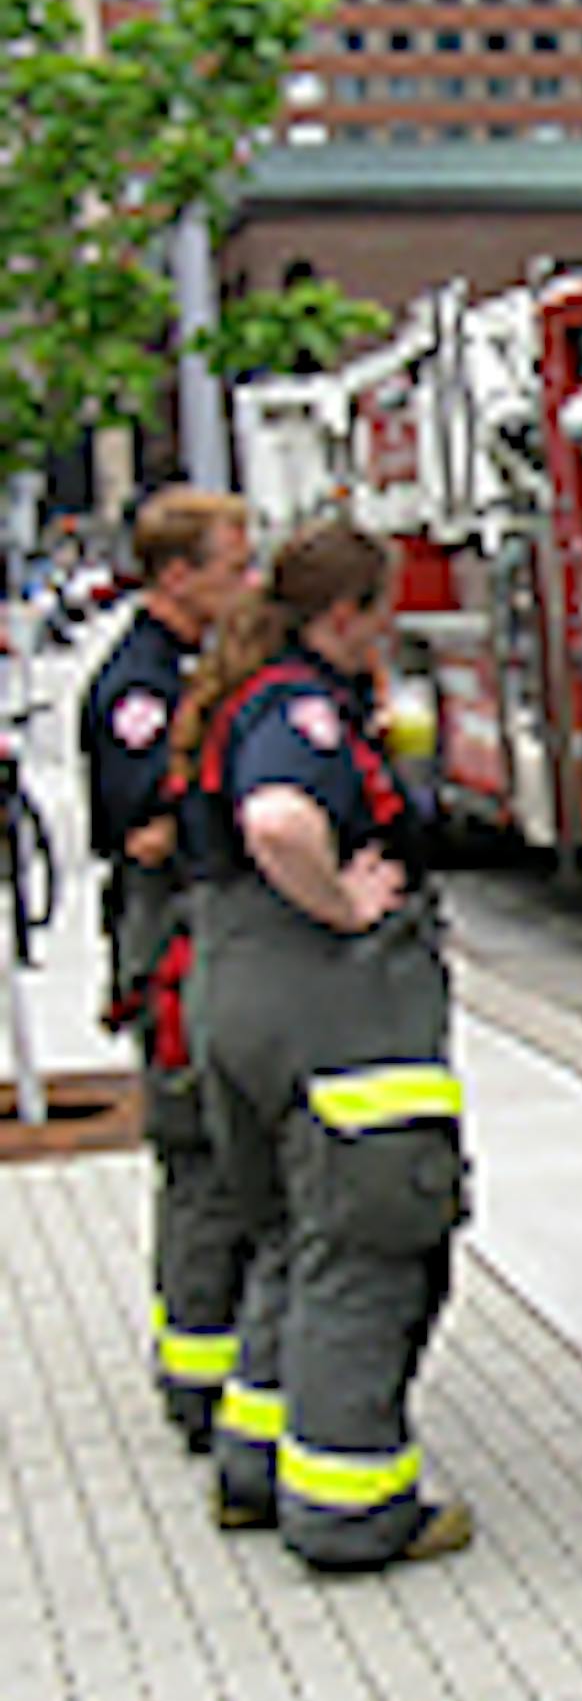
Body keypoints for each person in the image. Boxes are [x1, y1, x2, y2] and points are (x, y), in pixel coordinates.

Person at [177, 520, 472, 1569]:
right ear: (344, 614)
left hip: (244, 993)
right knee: (371, 1250)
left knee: (293, 1237)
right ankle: (351, 1506)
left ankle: (256, 1466)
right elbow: (278, 821)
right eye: (381, 610)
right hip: (332, 1010)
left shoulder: (250, 689)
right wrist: (345, 906)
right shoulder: (298, 706)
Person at [78, 488, 255, 1451]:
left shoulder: (199, 667)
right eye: (234, 566)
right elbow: (143, 827)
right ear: (178, 576)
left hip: (204, 930)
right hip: (173, 938)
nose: (250, 581)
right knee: (199, 1157)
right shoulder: (138, 686)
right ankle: (199, 1376)